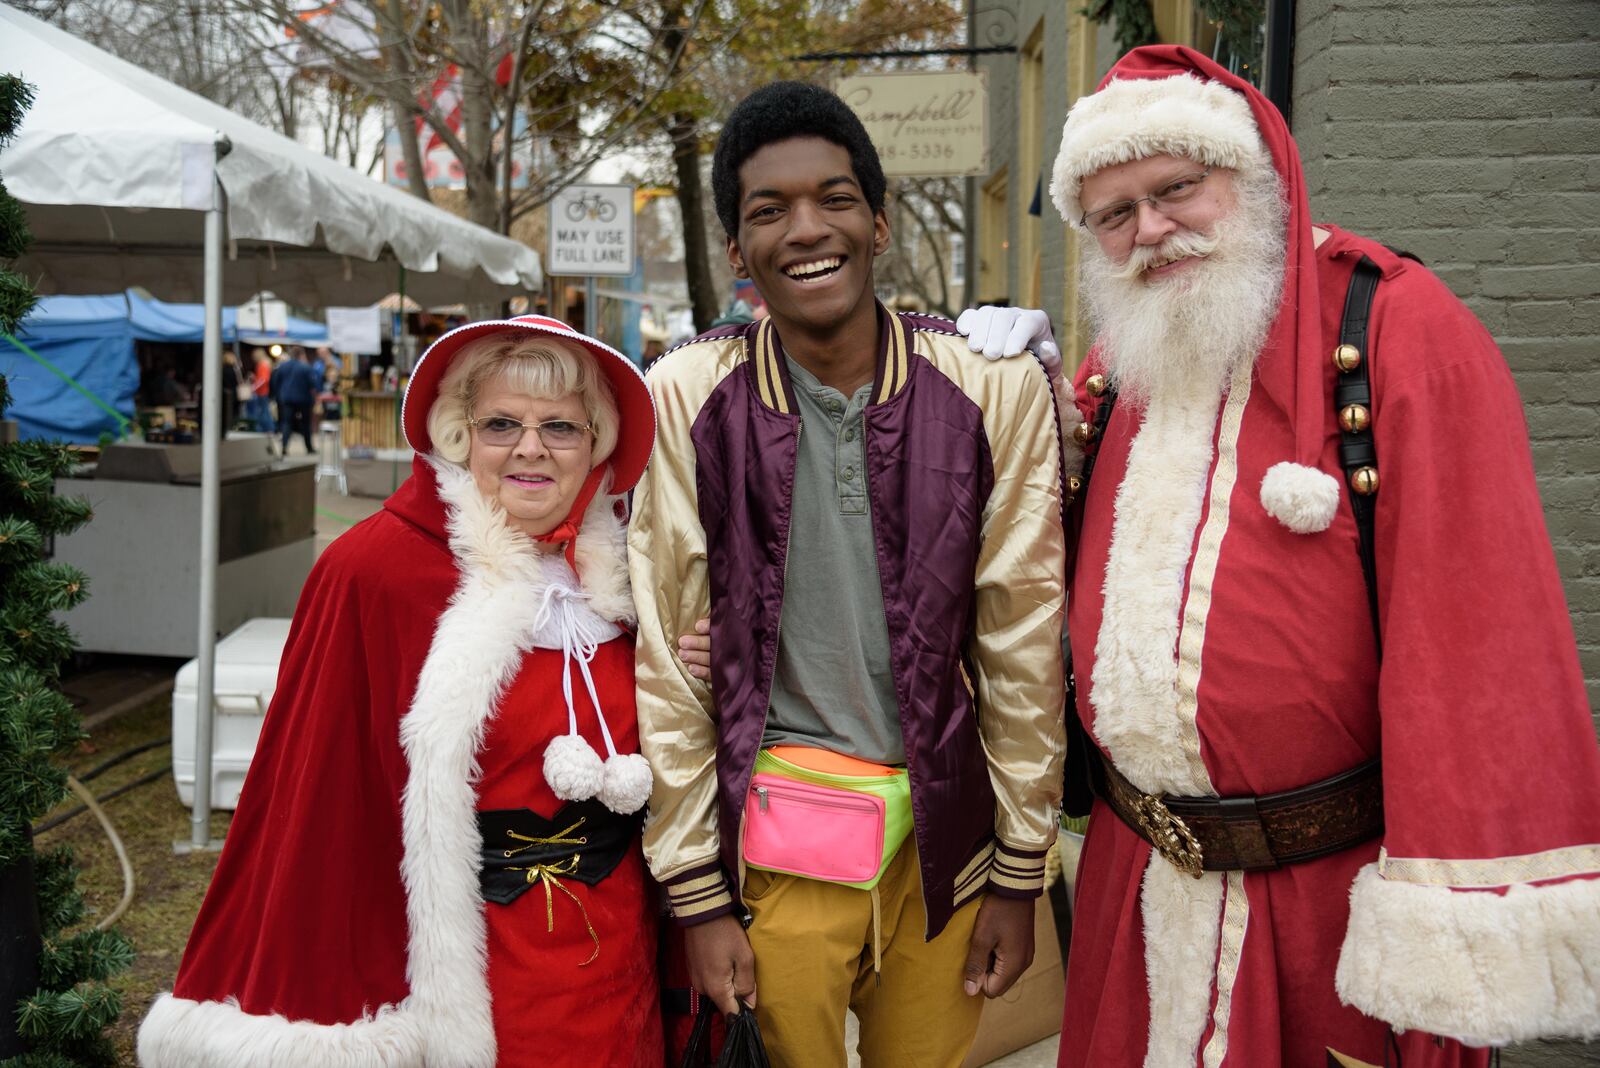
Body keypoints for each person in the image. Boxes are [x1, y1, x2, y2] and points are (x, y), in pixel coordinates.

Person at [966, 44, 1600, 1067]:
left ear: (1253, 175)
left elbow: (1485, 649)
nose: (1150, 232)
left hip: (1327, 908)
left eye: (1176, 189)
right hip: (1136, 894)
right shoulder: (1112, 372)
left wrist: (1444, 912)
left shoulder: (1397, 328)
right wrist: (986, 410)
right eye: (1114, 214)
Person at [629, 81, 1068, 1068]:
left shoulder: (991, 388)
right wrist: (696, 891)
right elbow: (666, 650)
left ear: (878, 220)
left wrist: (1019, 868)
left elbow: (1021, 634)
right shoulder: (689, 394)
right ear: (737, 253)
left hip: (944, 842)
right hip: (777, 844)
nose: (805, 229)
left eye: (833, 198)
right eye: (767, 210)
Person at [138, 316, 667, 1067]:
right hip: (467, 969)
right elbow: (318, 794)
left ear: (597, 445)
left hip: (615, 956)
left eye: (560, 426)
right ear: (459, 435)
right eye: (501, 424)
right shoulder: (375, 571)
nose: (530, 447)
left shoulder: (632, 580)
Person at [275, 347, 318, 455]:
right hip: (304, 399)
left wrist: (280, 394)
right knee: (306, 424)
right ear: (301, 355)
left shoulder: (282, 367)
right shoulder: (306, 367)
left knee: (287, 423)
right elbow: (313, 384)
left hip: (287, 399)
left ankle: (284, 447)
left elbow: (276, 382)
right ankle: (309, 447)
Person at [248, 348, 274, 435]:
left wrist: (253, 388)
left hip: (262, 391)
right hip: (263, 391)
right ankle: (268, 429)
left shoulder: (262, 365)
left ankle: (268, 429)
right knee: (264, 411)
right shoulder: (265, 364)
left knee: (263, 411)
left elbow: (263, 379)